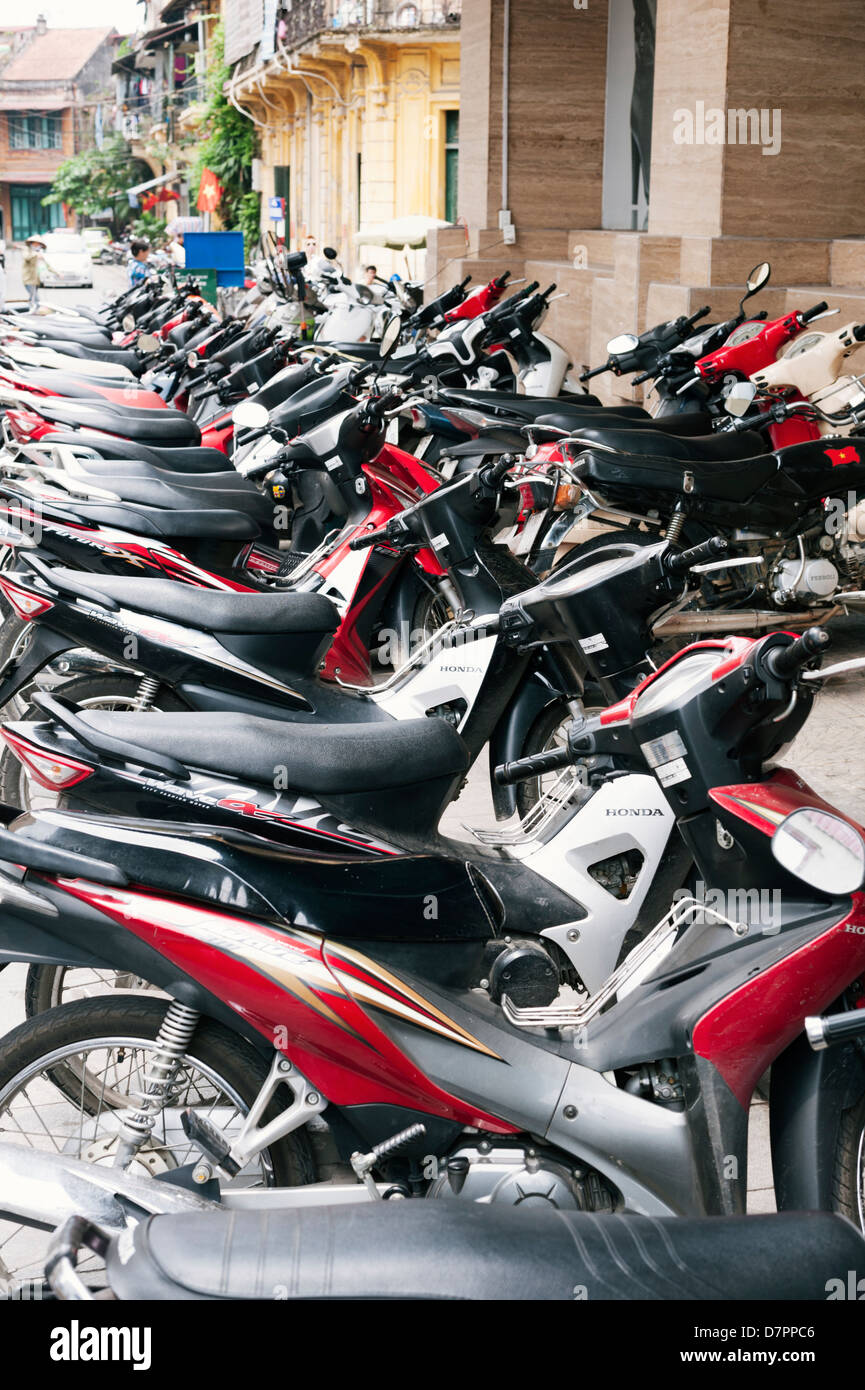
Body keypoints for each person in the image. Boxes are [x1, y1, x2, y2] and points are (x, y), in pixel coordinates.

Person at [22, 235, 51, 308]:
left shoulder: (39, 253)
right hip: (29, 280)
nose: (38, 246)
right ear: (32, 243)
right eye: (36, 244)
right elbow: (26, 257)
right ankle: (34, 311)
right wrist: (35, 254)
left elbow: (47, 265)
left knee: (32, 297)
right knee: (36, 299)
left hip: (36, 280)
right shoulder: (27, 251)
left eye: (39, 245)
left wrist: (58, 273)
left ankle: (30, 310)